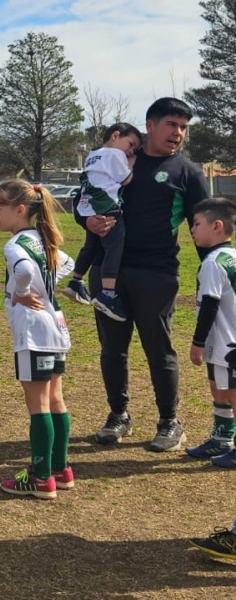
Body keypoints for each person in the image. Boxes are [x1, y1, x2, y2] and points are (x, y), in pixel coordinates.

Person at [81, 98, 210, 451]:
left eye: (183, 127)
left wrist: (213, 267)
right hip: (108, 272)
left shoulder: (187, 172)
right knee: (112, 349)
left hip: (157, 273)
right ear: (150, 125)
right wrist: (86, 220)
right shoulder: (116, 161)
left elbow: (206, 227)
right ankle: (118, 415)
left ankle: (170, 421)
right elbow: (86, 197)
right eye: (172, 124)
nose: (178, 133)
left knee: (159, 349)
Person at [0, 181, 74, 499]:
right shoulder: (44, 237)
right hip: (56, 327)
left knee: (38, 405)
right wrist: (49, 285)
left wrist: (24, 293)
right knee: (56, 399)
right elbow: (69, 263)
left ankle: (40, 478)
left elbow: (24, 271)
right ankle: (60, 470)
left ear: (20, 210)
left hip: (33, 334)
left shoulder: (15, 246)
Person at [62, 123, 143, 321]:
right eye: (130, 144)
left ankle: (75, 281)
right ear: (115, 136)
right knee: (114, 248)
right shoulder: (115, 155)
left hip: (89, 206)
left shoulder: (93, 154)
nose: (130, 151)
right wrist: (131, 164)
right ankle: (107, 294)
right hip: (107, 206)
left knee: (91, 245)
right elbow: (126, 180)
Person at [184, 198, 236, 466]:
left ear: (217, 226)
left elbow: (210, 305)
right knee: (219, 387)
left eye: (196, 223)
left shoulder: (213, 262)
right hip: (227, 341)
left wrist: (198, 341)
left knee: (232, 393)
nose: (192, 229)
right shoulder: (232, 257)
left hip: (227, 343)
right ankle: (222, 438)